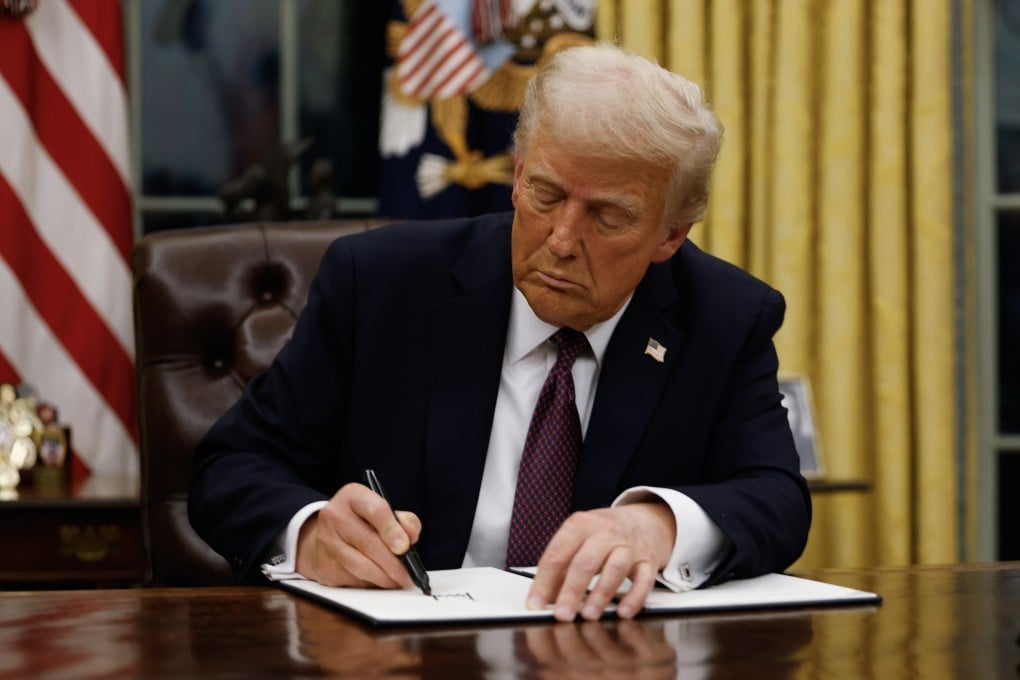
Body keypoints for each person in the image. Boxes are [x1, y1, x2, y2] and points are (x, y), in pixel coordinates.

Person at [188, 42, 811, 622]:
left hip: (606, 655)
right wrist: (312, 530)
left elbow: (777, 498)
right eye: (545, 194)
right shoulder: (381, 285)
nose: (562, 241)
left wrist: (659, 527)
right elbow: (232, 466)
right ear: (516, 176)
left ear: (671, 235)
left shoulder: (724, 318)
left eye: (608, 216)